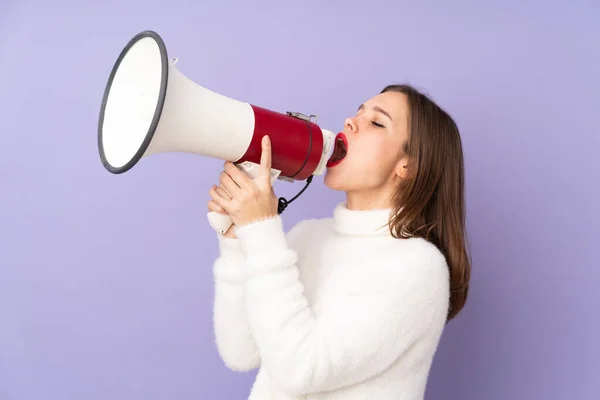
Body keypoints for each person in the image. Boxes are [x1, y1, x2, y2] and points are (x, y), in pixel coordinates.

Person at [207, 83, 471, 399]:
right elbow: (241, 353)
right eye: (357, 112)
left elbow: (301, 369)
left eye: (377, 122)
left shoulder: (418, 267)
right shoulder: (307, 236)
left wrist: (261, 230)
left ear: (408, 165)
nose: (350, 121)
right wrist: (238, 241)